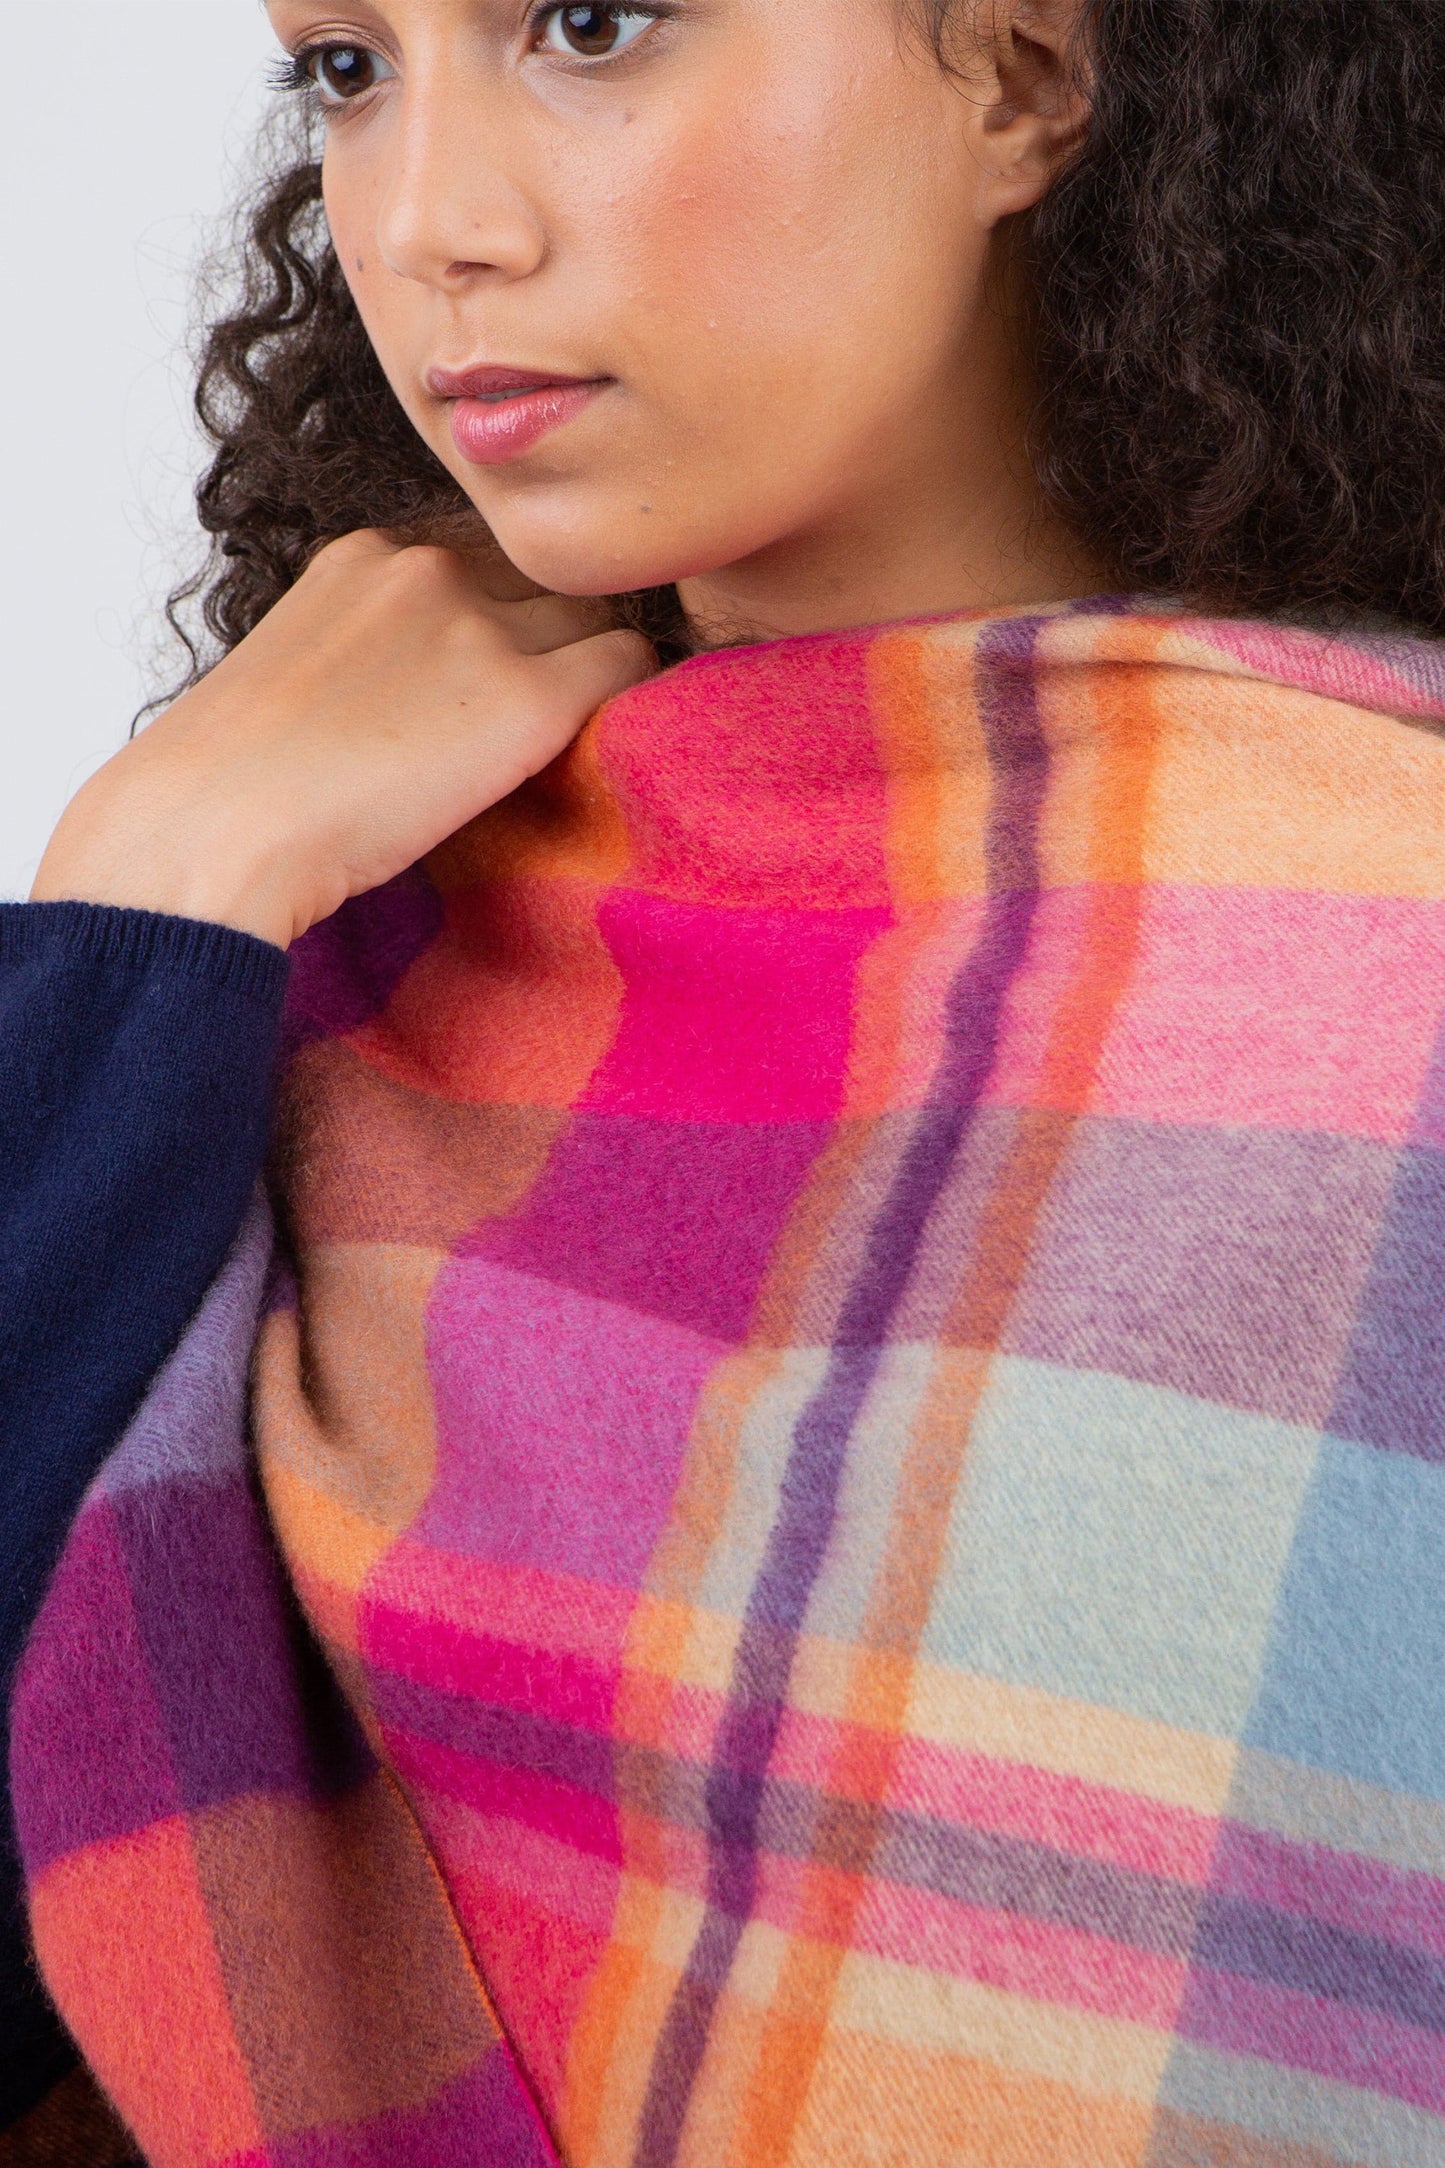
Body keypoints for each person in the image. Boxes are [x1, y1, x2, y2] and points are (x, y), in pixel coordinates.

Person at [2, 0, 1443, 2158]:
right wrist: (142, 905)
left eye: (589, 23)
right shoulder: (301, 941)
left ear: (1026, 76)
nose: (426, 225)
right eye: (347, 69)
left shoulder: (1387, 986)